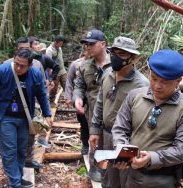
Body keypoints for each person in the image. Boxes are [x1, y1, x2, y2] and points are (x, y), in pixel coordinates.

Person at [112, 49, 183, 188]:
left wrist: (152, 158)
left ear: (178, 80)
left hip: (161, 180)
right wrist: (122, 149)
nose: (157, 86)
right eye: (154, 78)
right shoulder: (134, 96)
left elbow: (182, 149)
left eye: (165, 82)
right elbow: (120, 128)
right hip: (130, 174)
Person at [0, 48, 53, 188]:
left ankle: (17, 177)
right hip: (5, 118)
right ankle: (15, 183)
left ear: (30, 65)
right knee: (9, 151)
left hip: (25, 118)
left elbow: (41, 94)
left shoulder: (35, 74)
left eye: (22, 65)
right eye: (16, 63)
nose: (18, 67)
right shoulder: (2, 71)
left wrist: (47, 114)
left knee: (21, 150)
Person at [89, 36, 150, 188]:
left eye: (122, 54)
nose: (115, 57)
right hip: (104, 134)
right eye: (113, 52)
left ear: (133, 58)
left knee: (124, 179)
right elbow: (100, 103)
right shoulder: (107, 74)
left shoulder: (141, 85)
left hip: (125, 139)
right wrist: (95, 130)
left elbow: (143, 120)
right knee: (106, 176)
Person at [4, 37, 51, 169]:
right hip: (11, 106)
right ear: (16, 50)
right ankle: (14, 164)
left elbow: (42, 89)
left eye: (27, 49)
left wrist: (45, 109)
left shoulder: (37, 64)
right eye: (21, 49)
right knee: (13, 136)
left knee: (30, 134)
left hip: (31, 105)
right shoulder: (7, 64)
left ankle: (28, 160)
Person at [73, 29, 111, 182]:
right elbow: (79, 85)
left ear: (102, 44)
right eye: (85, 44)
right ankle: (95, 168)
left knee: (111, 140)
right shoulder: (85, 66)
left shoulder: (116, 64)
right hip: (93, 111)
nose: (87, 47)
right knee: (94, 139)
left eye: (91, 44)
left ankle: (111, 170)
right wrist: (78, 98)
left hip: (113, 110)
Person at [64, 46, 90, 155]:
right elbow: (69, 81)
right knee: (83, 122)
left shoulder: (102, 64)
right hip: (81, 97)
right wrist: (69, 97)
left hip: (96, 97)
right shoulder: (76, 64)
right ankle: (85, 144)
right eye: (87, 50)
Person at [46, 35, 67, 106]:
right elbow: (48, 63)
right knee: (54, 87)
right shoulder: (49, 50)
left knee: (66, 85)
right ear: (55, 42)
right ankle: (51, 101)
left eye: (62, 43)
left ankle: (69, 100)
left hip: (62, 70)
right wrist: (51, 75)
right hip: (55, 72)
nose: (61, 45)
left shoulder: (59, 48)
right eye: (60, 43)